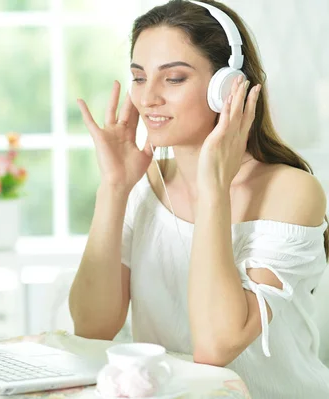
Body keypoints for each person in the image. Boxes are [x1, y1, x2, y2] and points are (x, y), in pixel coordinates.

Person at [68, 0, 329, 398]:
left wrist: (213, 191)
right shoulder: (142, 187)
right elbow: (92, 327)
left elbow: (214, 346)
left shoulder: (289, 191)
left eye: (173, 78)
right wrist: (114, 188)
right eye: (139, 78)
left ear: (226, 87)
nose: (148, 98)